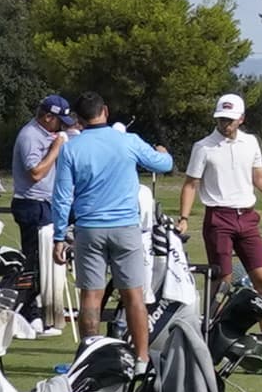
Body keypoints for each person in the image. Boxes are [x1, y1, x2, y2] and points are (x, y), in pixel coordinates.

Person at [45, 86, 177, 360]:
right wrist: (162, 151)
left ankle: (90, 358)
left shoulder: (70, 149)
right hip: (126, 228)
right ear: (105, 112)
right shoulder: (127, 141)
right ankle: (141, 358)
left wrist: (59, 237)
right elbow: (163, 164)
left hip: (89, 229)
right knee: (133, 297)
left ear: (78, 120)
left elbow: (61, 197)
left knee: (90, 298)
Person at [182, 88, 262, 302]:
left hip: (247, 218)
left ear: (241, 119)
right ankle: (212, 330)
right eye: (221, 120)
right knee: (223, 282)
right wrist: (184, 218)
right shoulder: (203, 147)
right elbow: (191, 184)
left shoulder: (251, 143)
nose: (224, 124)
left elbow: (260, 179)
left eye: (230, 120)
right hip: (218, 218)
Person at [11, 93, 73, 327]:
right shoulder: (30, 136)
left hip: (46, 203)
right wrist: (56, 148)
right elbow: (35, 173)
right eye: (59, 122)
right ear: (48, 117)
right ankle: (28, 311)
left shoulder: (48, 134)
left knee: (45, 260)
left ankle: (35, 310)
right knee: (34, 261)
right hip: (31, 204)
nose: (60, 129)